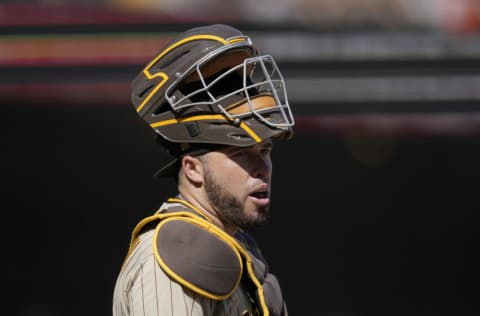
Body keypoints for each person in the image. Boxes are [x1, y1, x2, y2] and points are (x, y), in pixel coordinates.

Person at [112, 24, 295, 316]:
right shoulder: (177, 255)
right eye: (240, 154)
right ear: (193, 168)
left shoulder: (232, 246)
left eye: (265, 151)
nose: (262, 168)